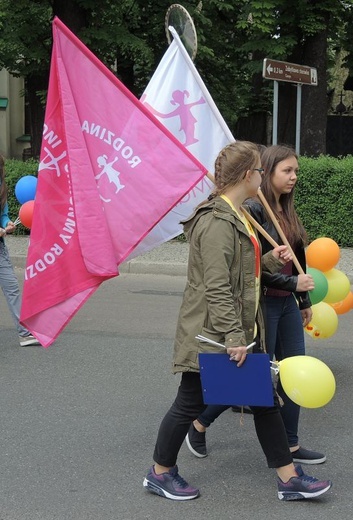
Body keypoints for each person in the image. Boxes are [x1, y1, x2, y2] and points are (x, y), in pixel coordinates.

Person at [143, 141, 332, 502]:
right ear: (249, 175)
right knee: (188, 402)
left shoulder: (236, 214)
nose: (263, 175)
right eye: (261, 170)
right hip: (212, 334)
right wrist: (234, 336)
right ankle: (160, 472)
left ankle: (288, 478)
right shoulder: (217, 220)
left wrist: (273, 261)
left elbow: (242, 272)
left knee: (263, 400)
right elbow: (217, 286)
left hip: (234, 330)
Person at [186, 144, 326, 465]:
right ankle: (198, 423)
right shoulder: (254, 210)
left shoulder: (285, 207)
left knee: (294, 373)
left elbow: (297, 255)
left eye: (296, 172)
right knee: (251, 379)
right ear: (268, 173)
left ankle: (290, 445)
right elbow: (255, 271)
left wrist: (302, 299)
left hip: (287, 304)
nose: (293, 177)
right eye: (286, 171)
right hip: (261, 305)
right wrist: (294, 284)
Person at [0, 155, 40, 347]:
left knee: (12, 289)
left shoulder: (1, 186)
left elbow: (3, 213)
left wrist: (6, 222)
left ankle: (24, 333)